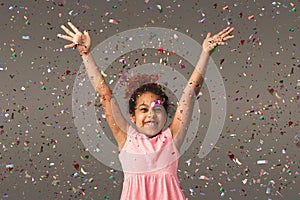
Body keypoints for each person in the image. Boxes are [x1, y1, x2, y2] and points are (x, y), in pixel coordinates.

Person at [57, 22, 234, 200]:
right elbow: (104, 94)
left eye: (157, 108)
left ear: (166, 115)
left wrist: (205, 54)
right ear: (132, 117)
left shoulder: (171, 139)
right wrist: (86, 55)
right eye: (143, 109)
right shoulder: (126, 139)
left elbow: (189, 96)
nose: (151, 114)